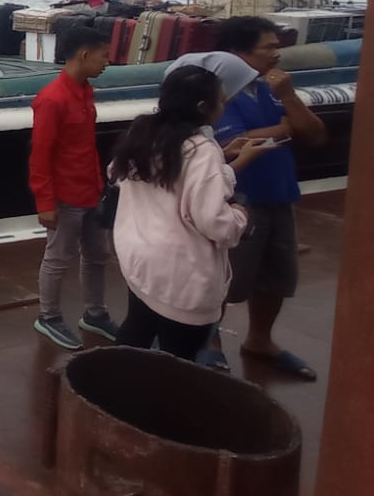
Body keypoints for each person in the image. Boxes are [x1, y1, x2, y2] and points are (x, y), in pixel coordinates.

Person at [108, 66, 276, 360]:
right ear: (202, 107)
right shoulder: (200, 150)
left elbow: (136, 176)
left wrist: (222, 156)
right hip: (180, 271)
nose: (224, 105)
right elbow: (213, 221)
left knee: (136, 330)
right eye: (221, 100)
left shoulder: (143, 132)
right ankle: (163, 403)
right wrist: (240, 215)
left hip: (139, 258)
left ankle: (112, 392)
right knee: (179, 357)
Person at [199, 16, 328, 379]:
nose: (278, 53)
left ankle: (260, 340)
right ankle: (209, 344)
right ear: (239, 54)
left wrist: (288, 99)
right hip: (239, 198)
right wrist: (288, 127)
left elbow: (315, 135)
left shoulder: (276, 87)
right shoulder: (221, 91)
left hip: (280, 193)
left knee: (277, 276)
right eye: (268, 47)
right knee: (224, 279)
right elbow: (231, 144)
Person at [30, 25, 116, 350]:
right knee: (57, 257)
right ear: (84, 54)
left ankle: (95, 313)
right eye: (104, 55)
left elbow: (84, 146)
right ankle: (48, 316)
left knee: (98, 254)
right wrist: (45, 201)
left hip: (91, 189)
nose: (108, 62)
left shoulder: (85, 92)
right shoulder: (52, 99)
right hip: (66, 196)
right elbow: (41, 154)